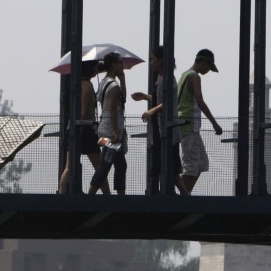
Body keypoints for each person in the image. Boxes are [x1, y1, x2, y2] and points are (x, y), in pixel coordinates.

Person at [132, 45, 180, 194]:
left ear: (161, 60)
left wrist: (151, 110)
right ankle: (180, 193)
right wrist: (146, 97)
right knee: (167, 165)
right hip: (160, 129)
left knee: (165, 164)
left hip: (167, 130)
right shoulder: (160, 78)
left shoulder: (168, 79)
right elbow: (161, 99)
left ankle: (165, 192)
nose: (151, 62)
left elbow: (168, 102)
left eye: (153, 59)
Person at [174, 48, 223, 195]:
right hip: (188, 125)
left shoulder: (184, 75)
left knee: (202, 162)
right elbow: (199, 100)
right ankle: (184, 194)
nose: (208, 70)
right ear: (202, 62)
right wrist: (214, 123)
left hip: (186, 125)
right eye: (208, 66)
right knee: (191, 164)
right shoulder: (195, 77)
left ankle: (185, 191)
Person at [58, 60, 106, 194]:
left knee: (69, 166)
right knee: (100, 166)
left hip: (74, 127)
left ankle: (61, 194)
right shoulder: (87, 85)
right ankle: (107, 195)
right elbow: (84, 110)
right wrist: (81, 128)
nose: (97, 69)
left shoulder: (77, 84)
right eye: (95, 67)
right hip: (85, 129)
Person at [89, 51, 127, 195]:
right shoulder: (114, 86)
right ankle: (91, 193)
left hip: (103, 131)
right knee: (106, 163)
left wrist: (123, 79)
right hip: (111, 134)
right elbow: (113, 109)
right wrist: (115, 131)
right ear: (113, 65)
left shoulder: (104, 82)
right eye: (120, 62)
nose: (122, 65)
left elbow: (121, 100)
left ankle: (120, 195)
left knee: (120, 164)